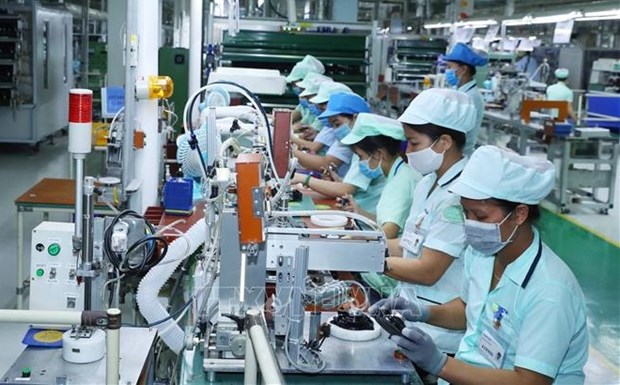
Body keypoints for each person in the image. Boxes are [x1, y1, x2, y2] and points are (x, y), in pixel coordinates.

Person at [371, 145, 588, 385]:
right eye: (466, 213)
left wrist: (440, 364)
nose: (470, 224)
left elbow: (530, 381)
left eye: (481, 216)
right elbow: (469, 308)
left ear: (520, 214)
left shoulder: (550, 290)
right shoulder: (482, 254)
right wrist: (424, 312)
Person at [384, 88, 477, 356]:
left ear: (444, 142)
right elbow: (410, 245)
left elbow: (428, 270)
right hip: (412, 320)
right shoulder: (428, 182)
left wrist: (370, 259)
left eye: (414, 143)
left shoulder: (459, 196)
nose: (408, 151)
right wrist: (363, 243)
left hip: (439, 334)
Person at [291, 95, 385, 217]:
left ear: (355, 118)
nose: (336, 130)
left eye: (337, 124)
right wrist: (338, 181)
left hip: (369, 218)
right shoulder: (356, 145)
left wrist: (303, 179)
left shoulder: (367, 150)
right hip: (359, 212)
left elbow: (346, 189)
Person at [294, 82, 355, 177]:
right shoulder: (338, 129)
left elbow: (326, 163)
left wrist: (289, 150)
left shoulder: (349, 136)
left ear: (354, 118)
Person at [444, 43, 488, 156]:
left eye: (450, 67)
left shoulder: (471, 97)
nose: (447, 71)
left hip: (460, 155)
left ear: (463, 69)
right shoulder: (460, 91)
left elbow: (455, 129)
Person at [286, 55, 325, 124]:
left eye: (294, 83)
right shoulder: (305, 101)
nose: (294, 87)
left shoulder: (318, 105)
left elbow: (308, 129)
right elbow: (292, 117)